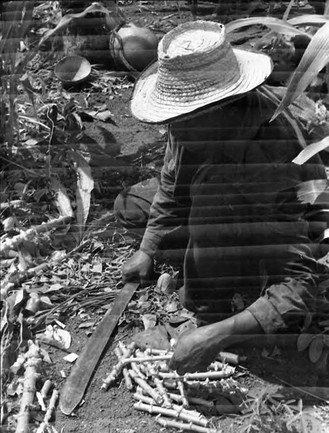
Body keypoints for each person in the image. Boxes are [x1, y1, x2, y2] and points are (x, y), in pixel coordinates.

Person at [115, 21, 329, 375]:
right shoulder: (192, 122)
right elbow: (171, 182)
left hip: (283, 219)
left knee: (212, 203)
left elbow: (303, 281)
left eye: (183, 119)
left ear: (221, 106)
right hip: (230, 196)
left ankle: (218, 306)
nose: (173, 128)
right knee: (130, 206)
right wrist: (148, 248)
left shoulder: (269, 157)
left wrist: (217, 335)